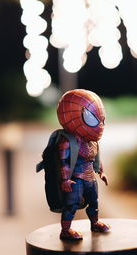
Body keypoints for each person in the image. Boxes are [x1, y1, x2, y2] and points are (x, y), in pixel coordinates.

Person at [56, 89, 110, 240]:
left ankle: (95, 222)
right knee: (71, 205)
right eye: (92, 119)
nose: (100, 126)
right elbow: (64, 161)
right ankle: (65, 230)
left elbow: (96, 160)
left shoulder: (92, 141)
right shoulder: (69, 141)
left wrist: (101, 172)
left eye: (102, 121)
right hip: (76, 178)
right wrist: (65, 179)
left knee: (94, 202)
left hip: (90, 177)